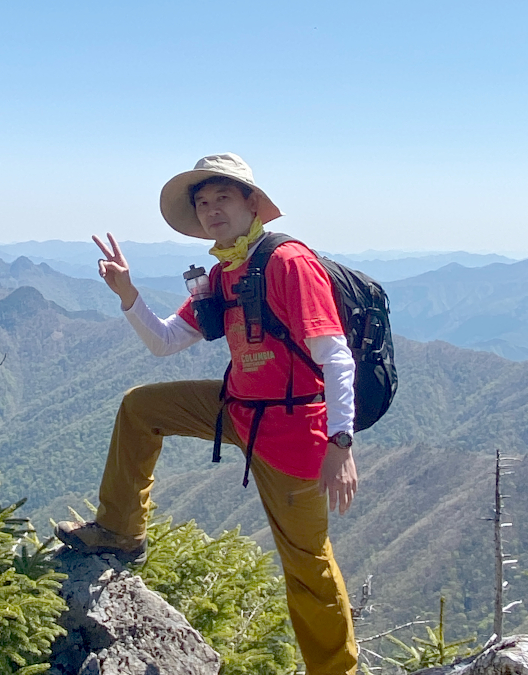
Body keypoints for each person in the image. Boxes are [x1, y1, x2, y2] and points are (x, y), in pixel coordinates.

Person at [55, 153, 359, 674]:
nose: (212, 209)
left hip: (292, 434)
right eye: (203, 202)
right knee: (141, 407)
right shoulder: (225, 272)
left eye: (223, 197)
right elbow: (167, 342)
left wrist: (341, 443)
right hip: (237, 408)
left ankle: (336, 672)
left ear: (251, 203)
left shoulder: (288, 262)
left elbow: (335, 355)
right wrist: (128, 295)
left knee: (307, 567)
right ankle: (121, 530)